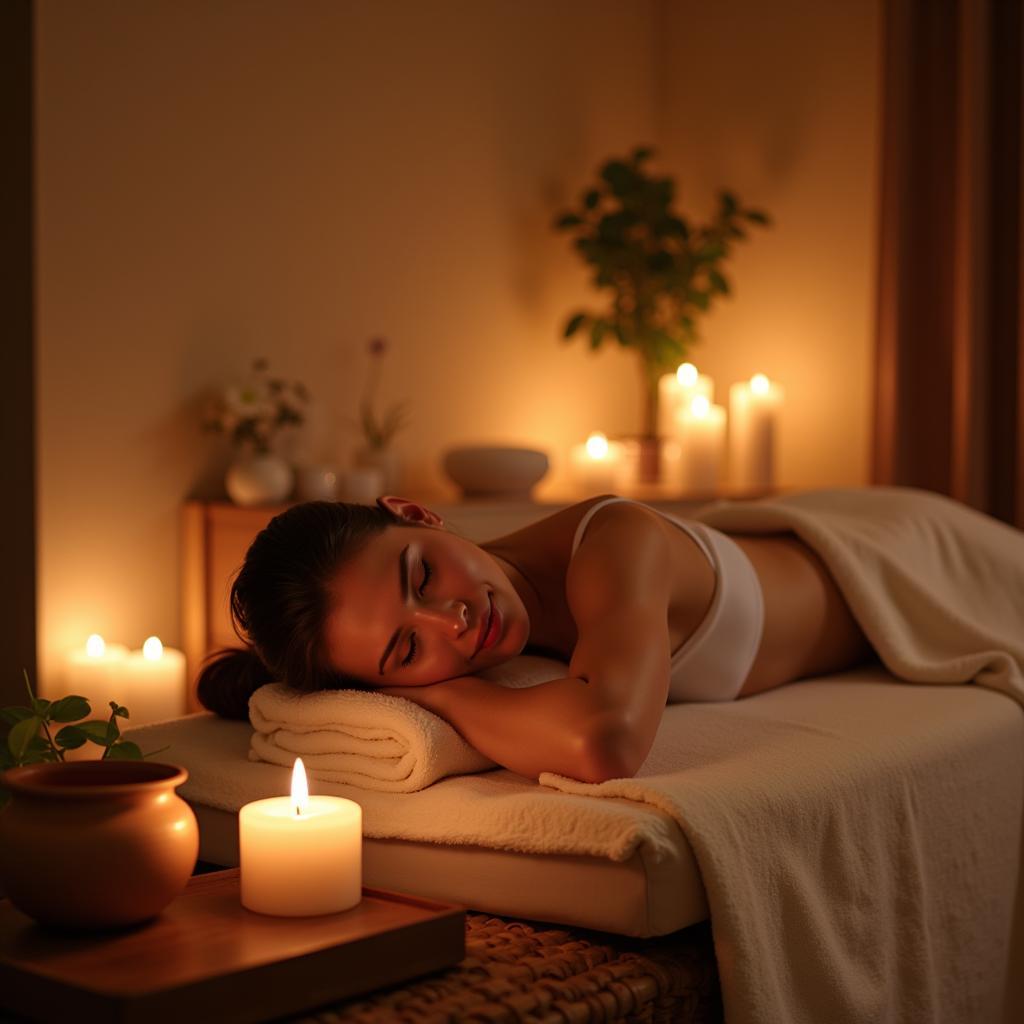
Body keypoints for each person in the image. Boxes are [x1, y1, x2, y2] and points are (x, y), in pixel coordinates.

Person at [197, 494, 877, 782]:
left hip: (884, 561)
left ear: (416, 513)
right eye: (406, 651)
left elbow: (602, 740)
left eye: (423, 574)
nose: (451, 621)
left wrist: (447, 693)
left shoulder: (616, 541)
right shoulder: (488, 629)